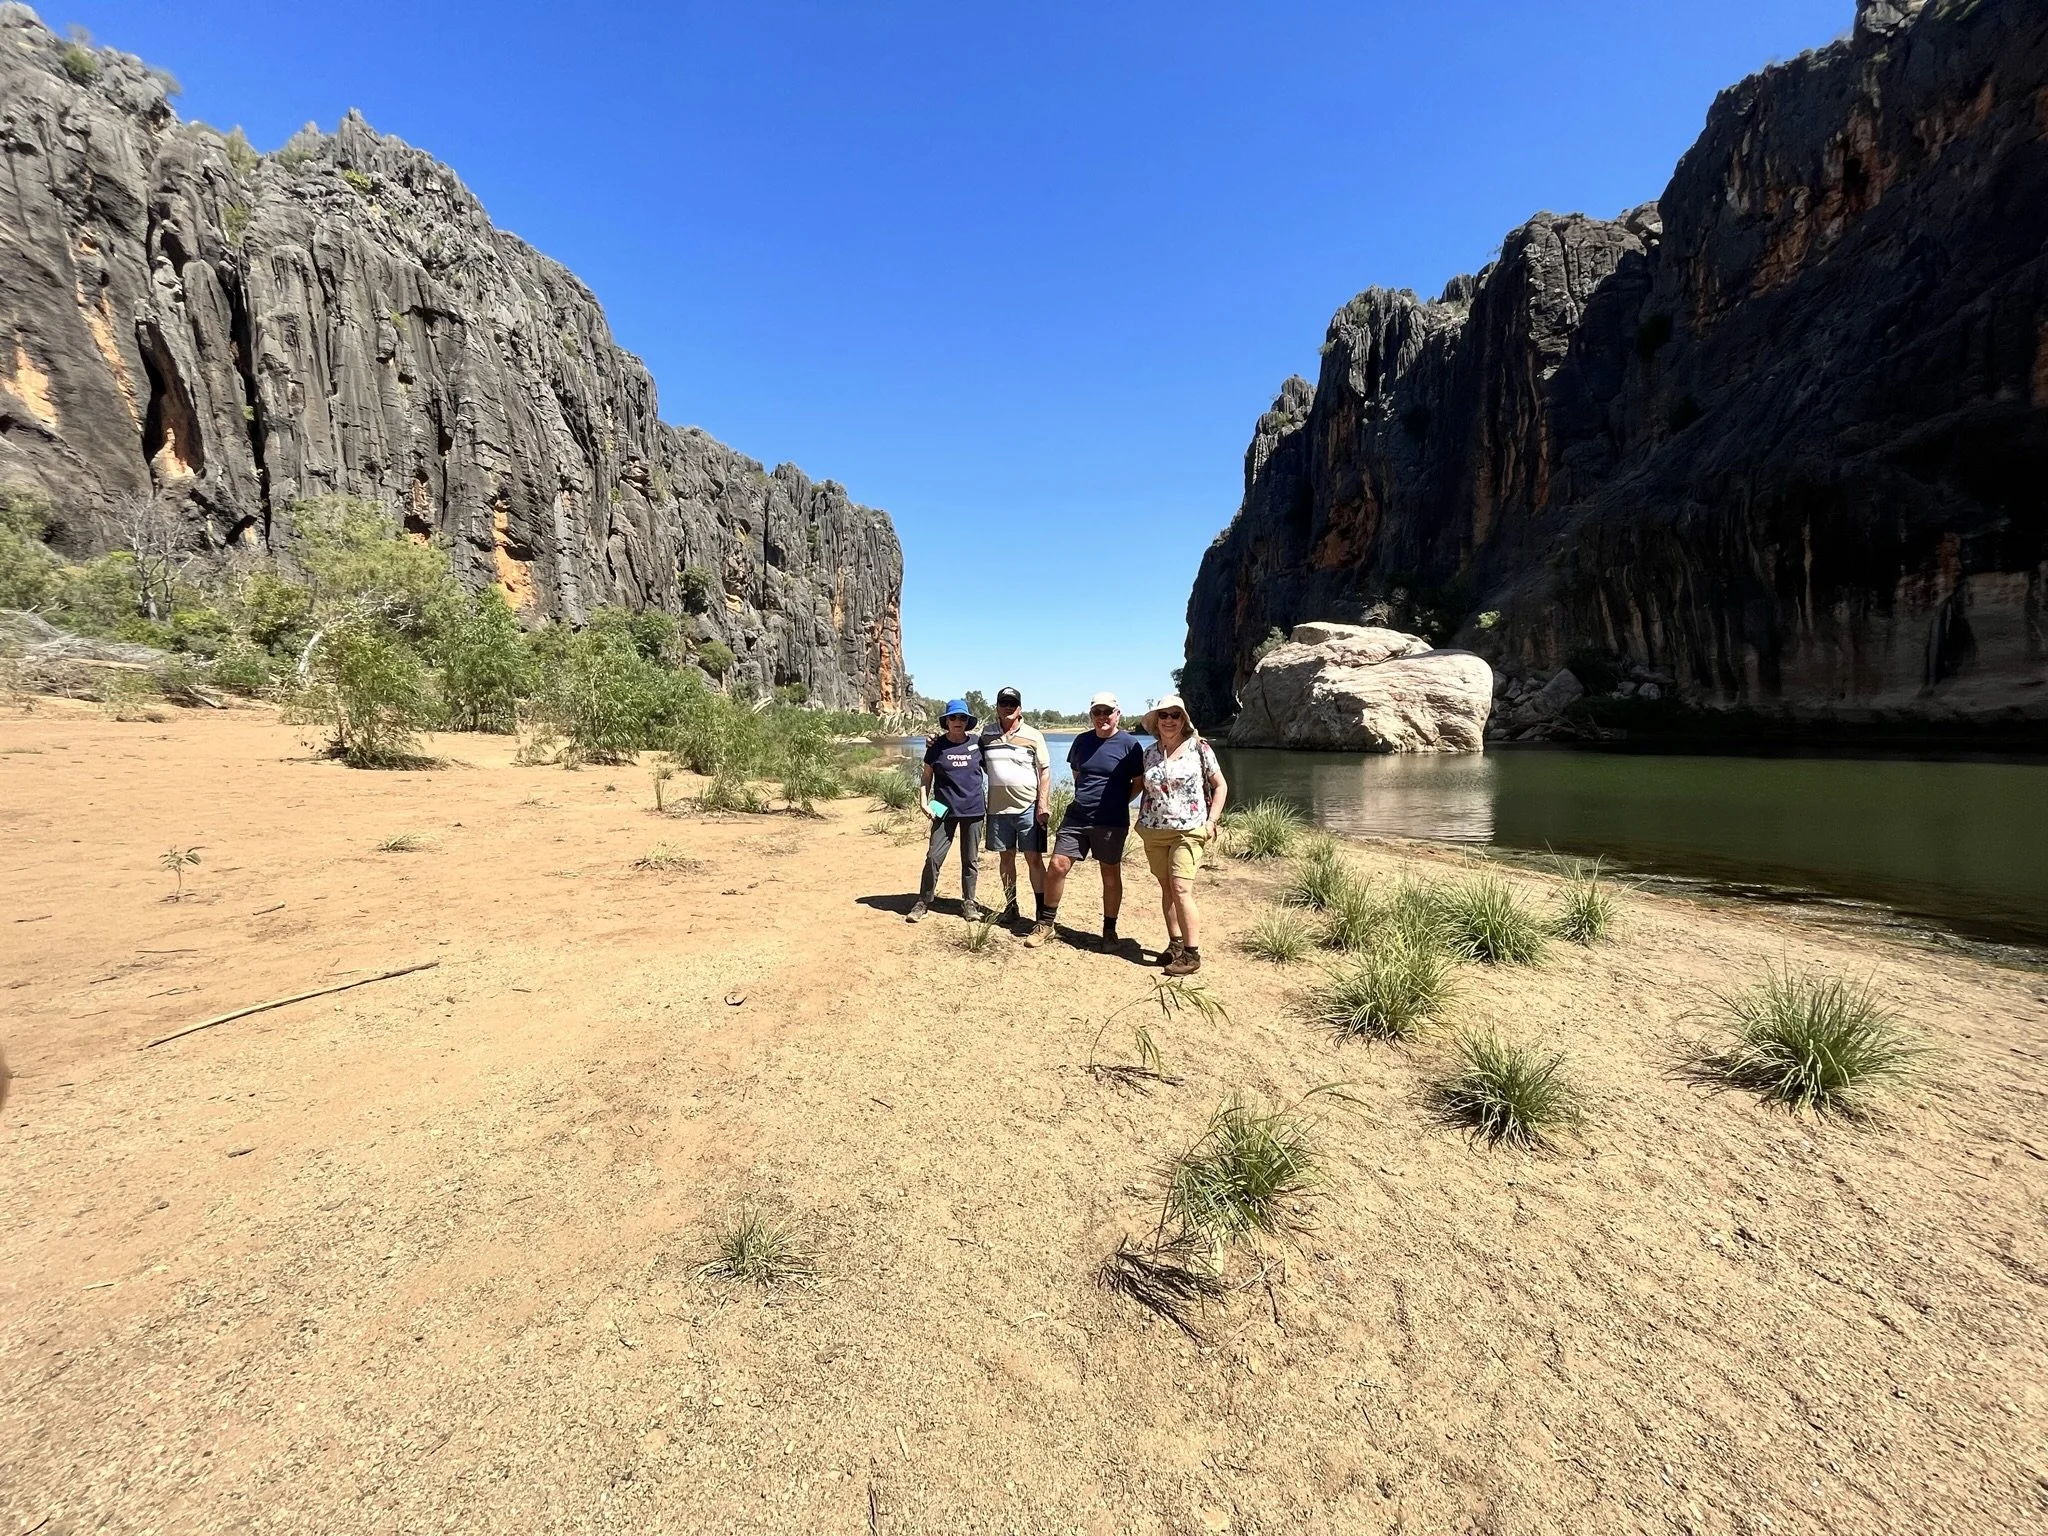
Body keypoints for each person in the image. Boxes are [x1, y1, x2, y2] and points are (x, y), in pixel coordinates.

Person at [1027, 692, 1144, 951]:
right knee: (1057, 865)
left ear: (1117, 714)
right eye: (1097, 712)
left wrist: (1117, 801)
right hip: (1077, 816)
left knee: (1110, 874)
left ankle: (1109, 931)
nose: (1102, 717)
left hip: (1112, 820)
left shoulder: (1130, 745)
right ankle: (1046, 924)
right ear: (1091, 715)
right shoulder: (1081, 741)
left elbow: (1138, 783)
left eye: (1107, 712)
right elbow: (1077, 774)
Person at [1135, 694, 1229, 975]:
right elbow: (1142, 788)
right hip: (1154, 831)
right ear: (1156, 721)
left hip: (1188, 830)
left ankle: (1192, 953)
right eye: (1163, 716)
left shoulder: (1199, 748)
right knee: (1167, 888)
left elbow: (1220, 785)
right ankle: (1175, 944)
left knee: (1181, 888)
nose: (1169, 720)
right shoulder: (1149, 753)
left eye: (1175, 715)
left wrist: (1212, 821)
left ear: (1183, 719)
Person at [979, 686, 1052, 927]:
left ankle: (1042, 913)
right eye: (1003, 703)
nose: (1008, 707)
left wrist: (1042, 804)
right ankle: (1011, 907)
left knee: (1033, 858)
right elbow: (972, 758)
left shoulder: (1033, 735)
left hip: (1028, 808)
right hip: (998, 809)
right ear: (997, 707)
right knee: (1006, 857)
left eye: (1012, 703)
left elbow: (1044, 770)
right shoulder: (986, 734)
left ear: (1020, 708)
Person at [910, 699, 985, 923]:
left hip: (973, 810)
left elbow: (996, 766)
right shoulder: (936, 747)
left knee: (970, 860)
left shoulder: (978, 744)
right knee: (933, 857)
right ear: (946, 721)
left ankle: (969, 903)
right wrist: (923, 801)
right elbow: (926, 777)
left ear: (968, 721)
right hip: (943, 811)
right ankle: (923, 901)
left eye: (962, 718)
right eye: (953, 718)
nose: (958, 722)